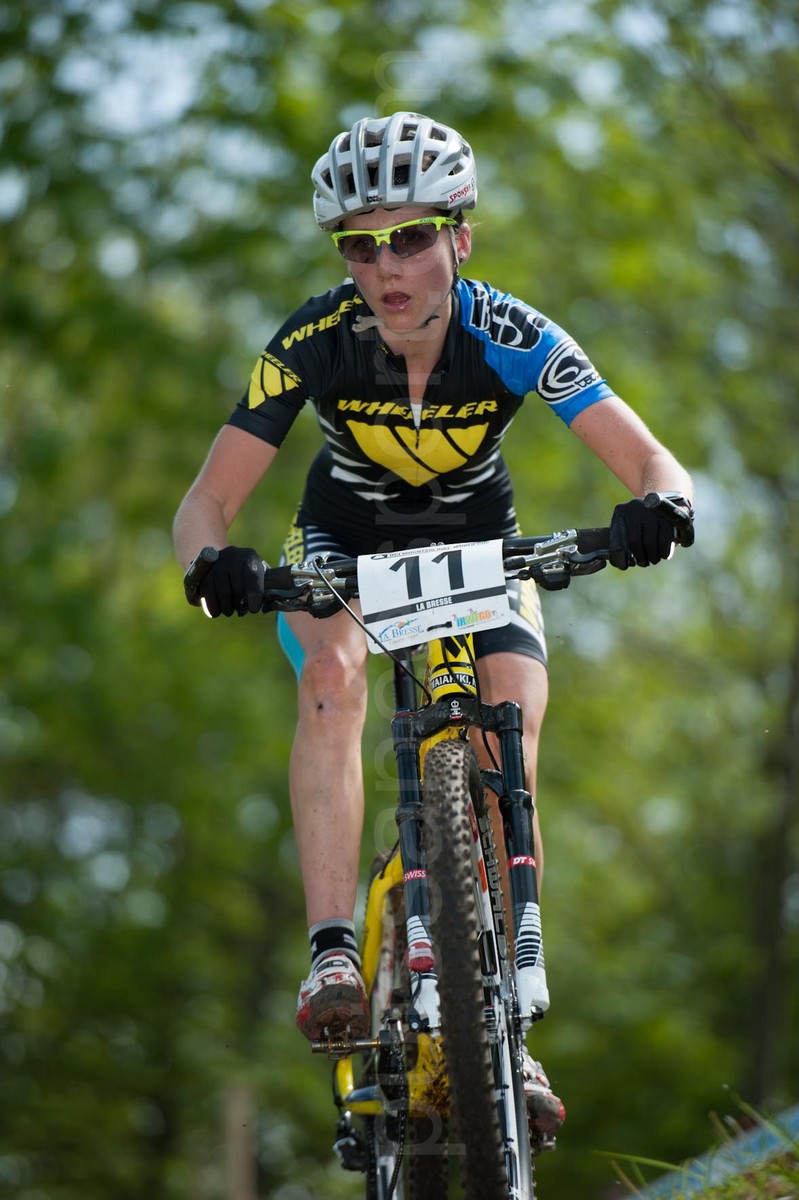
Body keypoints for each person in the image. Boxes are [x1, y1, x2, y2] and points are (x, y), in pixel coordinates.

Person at [173, 111, 694, 1142]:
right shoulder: (313, 341)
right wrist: (210, 562)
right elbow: (205, 502)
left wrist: (661, 505)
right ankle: (332, 951)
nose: (385, 267)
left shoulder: (511, 334)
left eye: (409, 237)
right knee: (331, 678)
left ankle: (505, 1023)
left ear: (460, 236)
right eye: (359, 245)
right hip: (341, 546)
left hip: (480, 546)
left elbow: (650, 458)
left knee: (512, 726)